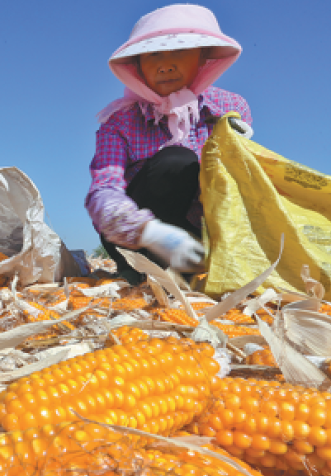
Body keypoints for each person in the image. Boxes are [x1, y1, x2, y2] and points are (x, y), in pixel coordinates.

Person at [86, 4, 251, 284]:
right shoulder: (118, 122)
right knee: (176, 160)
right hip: (137, 239)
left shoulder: (230, 108)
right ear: (137, 65)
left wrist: (240, 150)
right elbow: (103, 191)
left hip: (199, 237)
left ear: (203, 58)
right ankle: (141, 267)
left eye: (178, 51)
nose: (165, 65)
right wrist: (150, 232)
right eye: (153, 55)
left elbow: (241, 186)